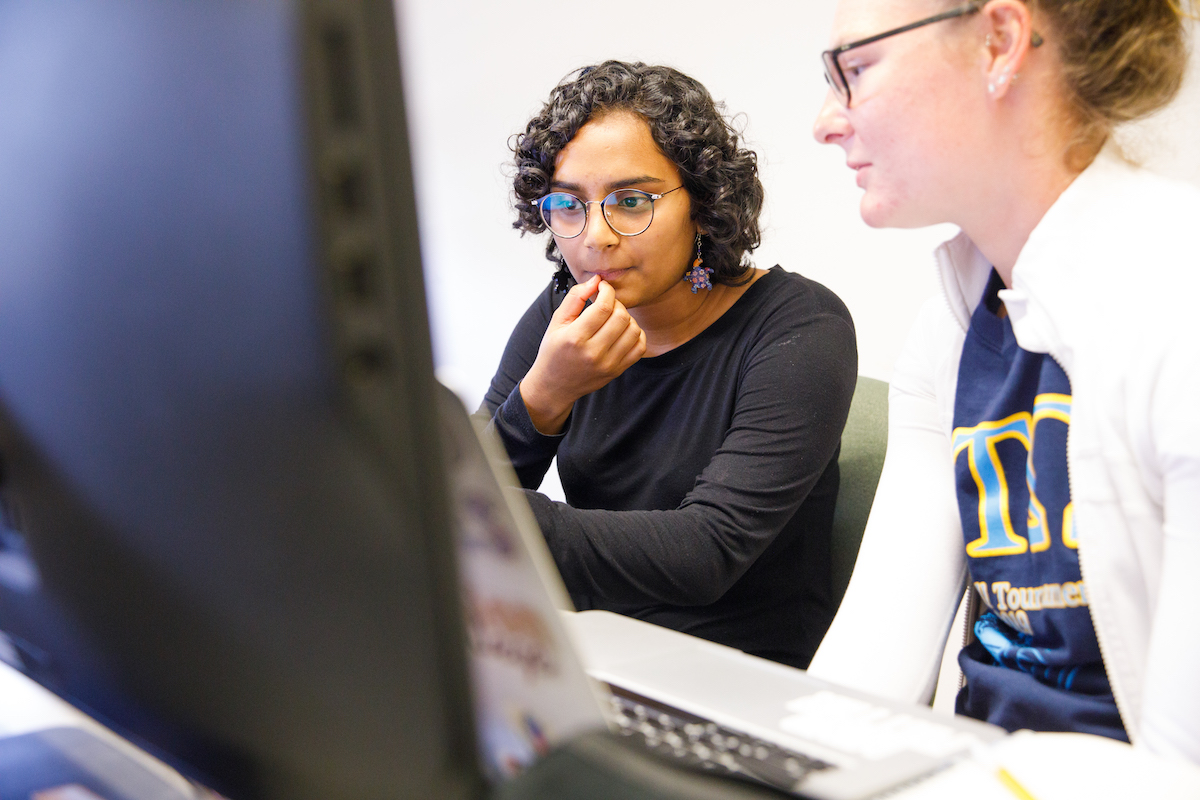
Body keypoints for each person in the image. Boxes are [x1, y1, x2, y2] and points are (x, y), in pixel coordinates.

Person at [806, 0, 1200, 762]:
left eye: (855, 70)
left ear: (1000, 42)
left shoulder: (1179, 302)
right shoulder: (950, 330)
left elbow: (1183, 767)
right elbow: (872, 663)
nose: (826, 121)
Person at [477, 61, 857, 669]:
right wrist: (543, 399)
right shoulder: (563, 310)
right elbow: (470, 500)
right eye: (568, 204)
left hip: (736, 675)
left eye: (632, 201)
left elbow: (706, 554)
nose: (594, 236)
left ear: (704, 206)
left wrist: (474, 518)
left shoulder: (799, 325)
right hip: (592, 654)